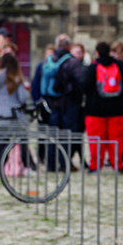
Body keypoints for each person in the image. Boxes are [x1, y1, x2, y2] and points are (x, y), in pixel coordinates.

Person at [82, 41, 123, 172]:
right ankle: (118, 165)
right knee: (117, 140)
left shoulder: (92, 67)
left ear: (97, 52)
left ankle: (95, 166)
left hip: (95, 110)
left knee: (96, 141)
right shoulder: (119, 65)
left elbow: (84, 86)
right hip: (118, 109)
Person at [43, 34, 85, 171]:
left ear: (56, 45)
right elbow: (80, 81)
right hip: (69, 103)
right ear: (68, 46)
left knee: (52, 134)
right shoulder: (72, 62)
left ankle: (50, 164)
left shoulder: (48, 60)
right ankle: (64, 164)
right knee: (67, 134)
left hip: (52, 102)